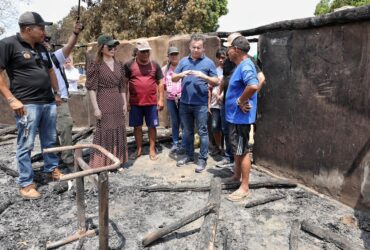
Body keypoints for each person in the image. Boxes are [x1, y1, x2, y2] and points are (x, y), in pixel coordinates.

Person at [0, 11, 63, 199]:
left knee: (50, 139)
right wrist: (11, 99)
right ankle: (26, 183)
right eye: (41, 27)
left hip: (48, 103)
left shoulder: (42, 48)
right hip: (27, 105)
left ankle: (52, 170)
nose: (44, 31)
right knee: (26, 144)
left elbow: (51, 71)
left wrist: (57, 92)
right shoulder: (8, 44)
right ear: (28, 29)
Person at [172, 34, 219, 173]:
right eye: (194, 47)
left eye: (199, 47)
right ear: (189, 47)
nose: (196, 50)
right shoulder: (183, 61)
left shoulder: (208, 63)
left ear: (203, 48)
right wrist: (182, 74)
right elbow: (173, 78)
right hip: (185, 103)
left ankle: (202, 159)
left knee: (203, 131)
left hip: (201, 104)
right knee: (187, 131)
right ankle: (189, 156)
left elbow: (216, 81)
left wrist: (204, 76)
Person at [223, 34, 259, 202]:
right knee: (237, 148)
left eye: (229, 48)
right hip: (235, 117)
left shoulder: (246, 66)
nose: (227, 51)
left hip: (240, 119)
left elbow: (253, 85)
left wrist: (241, 100)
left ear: (236, 50)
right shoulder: (241, 65)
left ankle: (244, 187)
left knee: (243, 151)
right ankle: (237, 176)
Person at [86, 35, 128, 168]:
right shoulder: (96, 65)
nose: (113, 49)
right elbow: (91, 88)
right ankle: (103, 163)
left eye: (114, 46)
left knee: (118, 129)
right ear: (101, 48)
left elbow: (122, 86)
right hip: (103, 101)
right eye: (109, 46)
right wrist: (96, 108)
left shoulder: (119, 64)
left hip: (117, 101)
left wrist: (125, 103)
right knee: (105, 131)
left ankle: (118, 161)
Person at [47, 22, 83, 167]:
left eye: (48, 41)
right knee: (49, 131)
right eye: (43, 41)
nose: (46, 44)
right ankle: (54, 160)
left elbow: (69, 46)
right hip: (42, 101)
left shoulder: (54, 57)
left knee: (66, 126)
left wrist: (75, 33)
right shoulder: (32, 59)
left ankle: (68, 158)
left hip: (60, 99)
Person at [125, 39, 164, 161]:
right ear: (137, 52)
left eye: (147, 51)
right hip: (135, 103)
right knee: (137, 127)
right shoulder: (129, 65)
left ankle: (152, 149)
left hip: (151, 102)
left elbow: (160, 83)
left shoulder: (155, 65)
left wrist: (161, 99)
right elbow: (124, 84)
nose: (145, 54)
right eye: (143, 51)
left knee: (152, 126)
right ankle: (139, 149)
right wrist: (126, 102)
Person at [162, 46, 185, 155]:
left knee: (184, 121)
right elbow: (163, 85)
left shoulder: (183, 67)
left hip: (183, 98)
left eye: (176, 54)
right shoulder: (165, 69)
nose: (174, 56)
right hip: (171, 99)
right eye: (172, 54)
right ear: (169, 56)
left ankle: (185, 142)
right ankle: (175, 142)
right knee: (174, 121)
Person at [208, 48, 227, 158]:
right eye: (219, 58)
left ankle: (225, 148)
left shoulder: (230, 70)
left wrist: (222, 96)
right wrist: (208, 104)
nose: (221, 60)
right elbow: (209, 89)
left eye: (223, 58)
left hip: (225, 103)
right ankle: (218, 146)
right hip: (215, 104)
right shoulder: (214, 72)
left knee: (225, 128)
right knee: (215, 126)